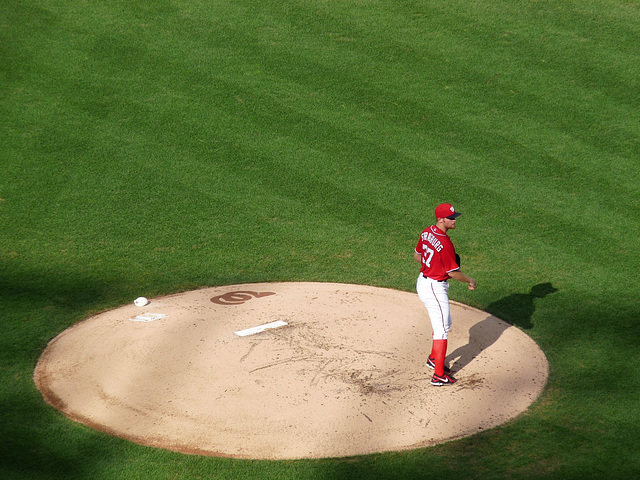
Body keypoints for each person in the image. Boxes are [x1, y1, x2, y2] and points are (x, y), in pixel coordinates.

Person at [414, 203, 476, 386]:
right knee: (441, 329)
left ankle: (434, 359)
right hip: (434, 287)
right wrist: (470, 280)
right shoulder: (445, 243)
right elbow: (452, 273)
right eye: (451, 217)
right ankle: (438, 375)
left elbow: (417, 256)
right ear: (441, 219)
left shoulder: (426, 232)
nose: (455, 220)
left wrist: (434, 265)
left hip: (424, 281)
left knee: (445, 322)